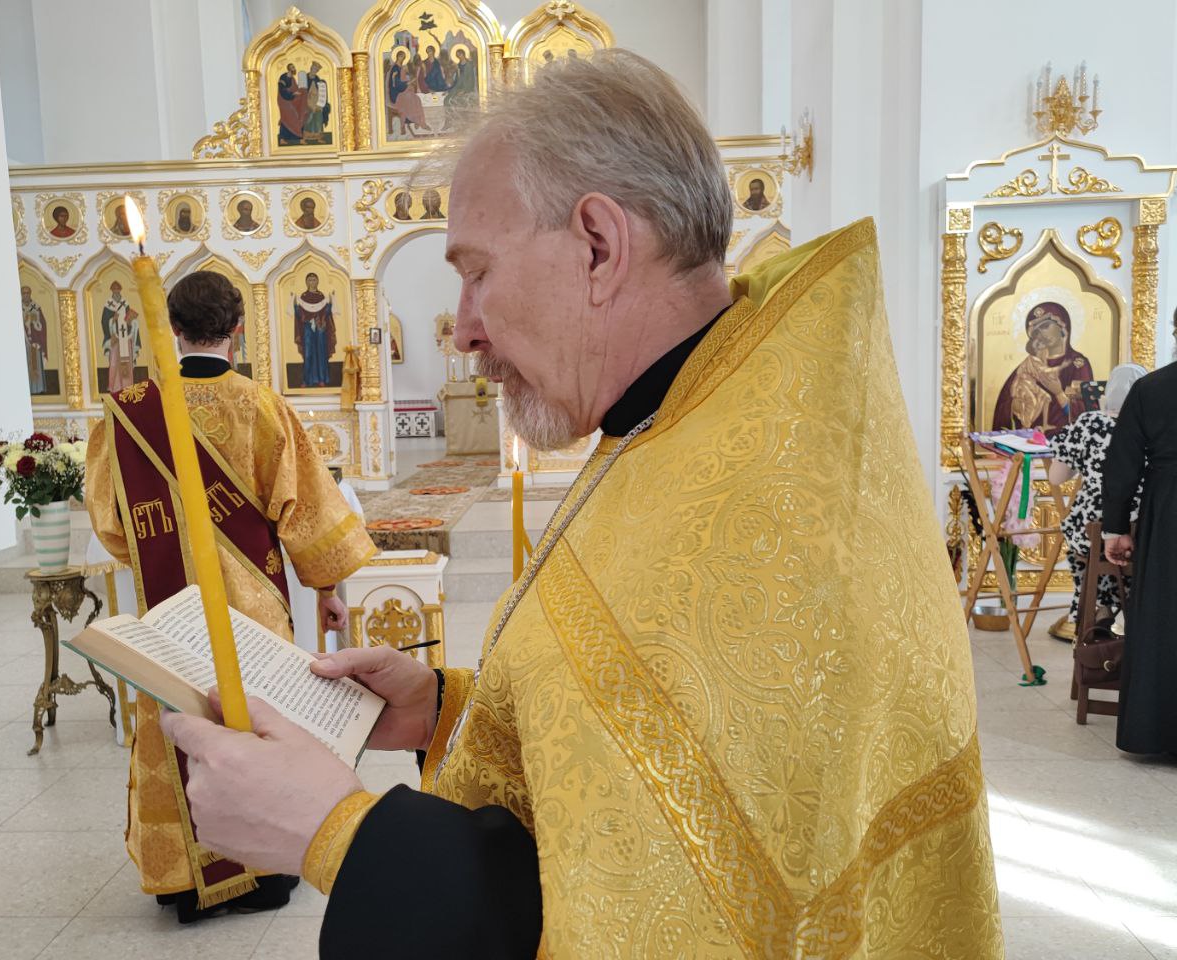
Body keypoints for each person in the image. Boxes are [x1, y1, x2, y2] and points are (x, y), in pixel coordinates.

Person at [161, 51, 1002, 958]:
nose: (464, 329)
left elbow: (677, 918)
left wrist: (336, 833)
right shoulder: (701, 418)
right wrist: (446, 709)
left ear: (598, 246)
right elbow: (641, 762)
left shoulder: (768, 523)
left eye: (476, 272)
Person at [85, 270, 376, 923]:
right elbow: (310, 513)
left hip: (168, 611)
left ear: (172, 329)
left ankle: (184, 883)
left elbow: (113, 526)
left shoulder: (128, 414)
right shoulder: (263, 407)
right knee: (255, 721)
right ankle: (264, 874)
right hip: (256, 613)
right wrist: (327, 589)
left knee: (177, 721)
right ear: (238, 329)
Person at [1102, 354, 1177, 755]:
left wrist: (1115, 529)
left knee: (1165, 612)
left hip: (1168, 511)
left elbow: (1123, 462)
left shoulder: (1151, 388)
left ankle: (1157, 731)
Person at [1046, 363, 1147, 640]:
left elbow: (1056, 477)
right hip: (1142, 532)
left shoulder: (1090, 423)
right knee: (1127, 558)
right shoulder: (1151, 425)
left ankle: (1101, 607)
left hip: (1092, 530)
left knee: (1085, 547)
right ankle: (1125, 609)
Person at [992, 301, 1093, 432]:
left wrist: (1059, 393)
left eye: (1045, 326)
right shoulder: (1029, 364)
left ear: (1062, 325)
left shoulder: (1077, 364)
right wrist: (1016, 404)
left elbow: (1087, 416)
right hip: (1029, 439)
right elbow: (1003, 408)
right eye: (1036, 332)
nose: (1042, 334)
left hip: (1065, 439)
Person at [294, 273, 335, 387]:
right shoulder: (304, 297)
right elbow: (299, 313)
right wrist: (295, 306)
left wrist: (330, 304)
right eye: (310, 280)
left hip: (320, 327)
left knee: (321, 352)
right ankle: (306, 380)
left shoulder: (321, 296)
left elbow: (326, 312)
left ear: (317, 281)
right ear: (306, 282)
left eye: (314, 280)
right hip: (307, 328)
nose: (312, 282)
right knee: (308, 353)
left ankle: (322, 379)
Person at [100, 281, 139, 393]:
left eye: (118, 290)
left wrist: (130, 322)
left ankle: (127, 385)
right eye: (114, 290)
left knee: (127, 361)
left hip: (126, 338)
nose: (116, 292)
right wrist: (113, 319)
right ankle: (115, 387)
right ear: (112, 291)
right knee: (114, 362)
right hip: (115, 338)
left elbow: (130, 319)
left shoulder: (125, 303)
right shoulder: (108, 305)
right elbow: (104, 321)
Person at [21, 285, 47, 394]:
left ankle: (37, 388)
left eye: (27, 293)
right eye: (24, 293)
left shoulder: (36, 307)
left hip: (35, 342)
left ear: (30, 294)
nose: (26, 295)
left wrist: (34, 322)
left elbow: (43, 324)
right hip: (23, 343)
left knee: (35, 365)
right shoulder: (17, 308)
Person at [278, 63, 306, 144]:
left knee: (296, 116)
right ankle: (283, 139)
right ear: (289, 69)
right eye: (293, 68)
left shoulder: (292, 79)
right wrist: (293, 94)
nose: (294, 69)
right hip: (283, 100)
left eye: (294, 67)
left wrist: (301, 91)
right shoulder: (283, 77)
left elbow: (295, 88)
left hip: (290, 99)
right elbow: (282, 91)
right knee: (289, 117)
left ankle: (291, 138)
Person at [303, 61, 330, 143]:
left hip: (317, 103)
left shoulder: (318, 80)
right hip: (307, 103)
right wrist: (309, 104)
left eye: (316, 70)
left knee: (318, 118)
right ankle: (304, 138)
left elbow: (321, 93)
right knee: (308, 119)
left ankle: (319, 137)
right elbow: (302, 92)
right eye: (314, 69)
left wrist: (320, 104)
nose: (314, 71)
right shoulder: (304, 79)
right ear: (311, 68)